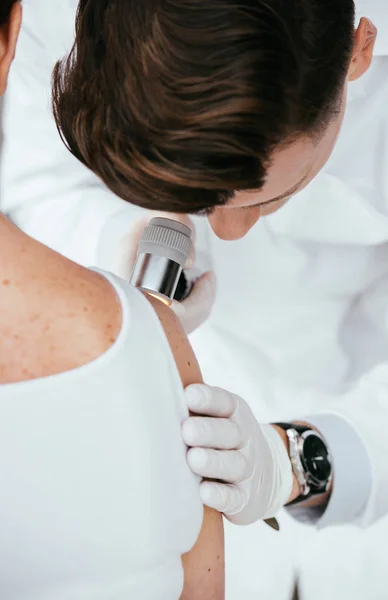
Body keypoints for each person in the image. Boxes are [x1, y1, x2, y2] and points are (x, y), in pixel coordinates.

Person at [3, 0, 388, 576]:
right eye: (209, 202)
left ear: (359, 49)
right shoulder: (51, 16)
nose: (230, 235)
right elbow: (42, 179)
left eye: (265, 198)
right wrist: (115, 244)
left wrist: (299, 462)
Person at [0, 2, 224, 598]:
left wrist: (316, 458)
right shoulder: (149, 348)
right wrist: (114, 241)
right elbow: (37, 166)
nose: (232, 227)